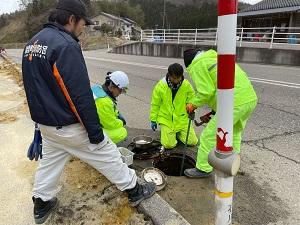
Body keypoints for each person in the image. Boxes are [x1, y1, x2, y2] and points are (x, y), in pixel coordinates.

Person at [22, 0, 156, 224]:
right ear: (72, 19)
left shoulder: (33, 43)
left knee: (50, 163)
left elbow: (34, 89)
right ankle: (134, 190)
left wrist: (38, 126)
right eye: (83, 23)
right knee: (109, 154)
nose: (84, 28)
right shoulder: (65, 45)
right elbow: (79, 95)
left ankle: (41, 203)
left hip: (47, 125)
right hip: (69, 124)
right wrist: (95, 132)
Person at [183, 49, 257, 178]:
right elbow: (222, 86)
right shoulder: (214, 58)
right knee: (234, 132)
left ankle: (203, 168)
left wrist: (192, 104)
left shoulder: (197, 65)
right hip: (249, 99)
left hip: (234, 103)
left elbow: (206, 92)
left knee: (208, 136)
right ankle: (232, 163)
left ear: (188, 65)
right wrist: (213, 112)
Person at [149, 63, 198, 149]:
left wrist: (192, 108)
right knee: (168, 145)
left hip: (181, 120)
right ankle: (169, 133)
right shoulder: (160, 86)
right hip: (166, 120)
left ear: (181, 75)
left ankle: (177, 134)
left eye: (178, 78)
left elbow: (192, 99)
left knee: (193, 142)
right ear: (169, 75)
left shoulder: (186, 85)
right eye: (174, 78)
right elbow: (155, 104)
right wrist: (153, 119)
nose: (176, 81)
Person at [91, 71, 128, 144]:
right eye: (120, 90)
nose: (120, 93)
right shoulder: (104, 101)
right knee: (122, 132)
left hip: (90, 123)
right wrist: (121, 122)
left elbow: (110, 110)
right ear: (111, 86)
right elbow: (110, 125)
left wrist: (117, 114)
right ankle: (101, 146)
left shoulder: (98, 89)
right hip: (90, 130)